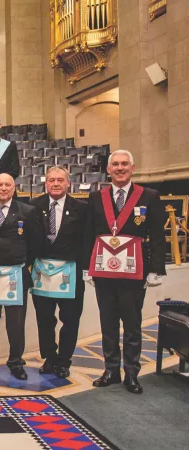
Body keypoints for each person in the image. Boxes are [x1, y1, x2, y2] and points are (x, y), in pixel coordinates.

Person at [83, 150, 166, 394]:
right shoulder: (97, 197)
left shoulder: (149, 196)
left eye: (124, 164)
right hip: (103, 271)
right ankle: (111, 370)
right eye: (115, 164)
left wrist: (156, 269)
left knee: (132, 323)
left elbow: (158, 236)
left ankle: (131, 373)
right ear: (108, 169)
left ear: (132, 167)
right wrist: (87, 267)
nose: (120, 168)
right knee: (107, 322)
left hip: (135, 271)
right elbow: (89, 233)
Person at [0, 174, 43, 380]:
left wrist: (21, 262)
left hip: (15, 273)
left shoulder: (27, 211)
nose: (3, 188)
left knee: (16, 321)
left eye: (7, 185)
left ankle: (15, 361)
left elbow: (35, 243)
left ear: (14, 188)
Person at [31, 166, 88, 379]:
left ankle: (64, 360)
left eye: (60, 180)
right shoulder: (34, 206)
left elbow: (87, 238)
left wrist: (86, 268)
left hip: (70, 271)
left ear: (68, 183)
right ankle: (50, 357)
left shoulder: (81, 208)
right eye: (51, 180)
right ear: (45, 183)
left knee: (70, 319)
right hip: (42, 271)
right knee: (45, 318)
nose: (55, 184)